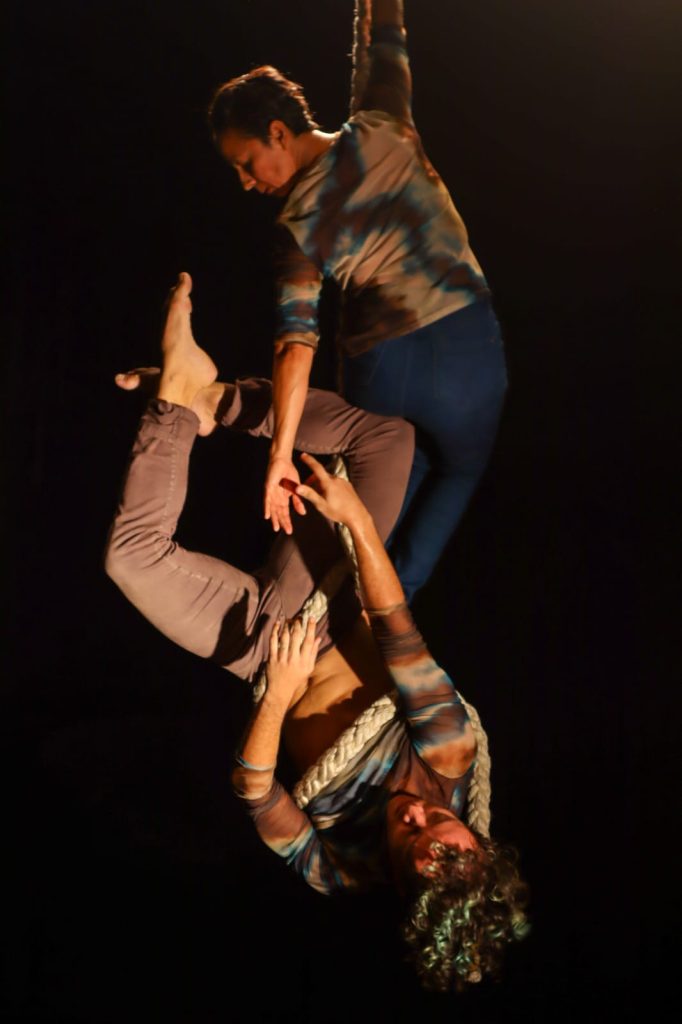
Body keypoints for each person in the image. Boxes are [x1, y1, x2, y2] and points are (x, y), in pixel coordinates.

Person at [106, 273, 527, 991]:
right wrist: (354, 520)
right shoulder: (451, 753)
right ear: (480, 845)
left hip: (263, 652)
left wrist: (278, 697)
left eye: (411, 843)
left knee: (131, 560)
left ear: (402, 882)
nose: (417, 817)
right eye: (442, 828)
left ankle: (174, 405)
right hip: (329, 595)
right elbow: (395, 628)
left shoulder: (342, 871)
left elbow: (255, 792)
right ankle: (209, 395)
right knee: (386, 440)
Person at [207, 0, 508, 601]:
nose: (245, 182)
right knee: (458, 471)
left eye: (246, 163)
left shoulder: (297, 224)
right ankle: (390, 611)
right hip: (470, 354)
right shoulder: (385, 119)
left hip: (385, 370)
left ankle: (328, 613)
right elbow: (387, 35)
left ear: (277, 133)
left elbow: (295, 344)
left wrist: (281, 455)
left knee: (375, 498)